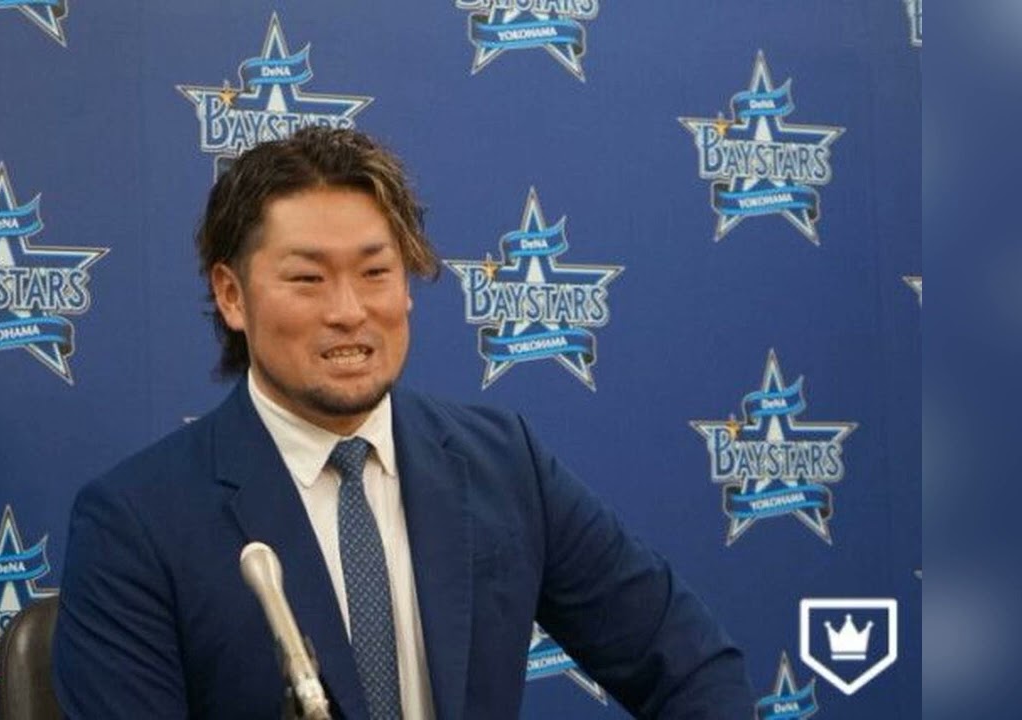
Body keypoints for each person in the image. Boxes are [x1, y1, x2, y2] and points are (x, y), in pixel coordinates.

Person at [52, 127, 753, 719]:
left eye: (375, 273)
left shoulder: (503, 463)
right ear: (232, 296)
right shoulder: (137, 525)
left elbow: (689, 664)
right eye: (307, 279)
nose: (349, 311)